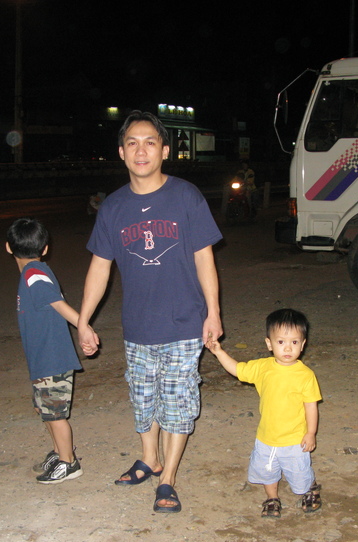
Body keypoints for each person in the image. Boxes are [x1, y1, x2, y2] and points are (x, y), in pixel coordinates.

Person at [77, 110, 223, 513]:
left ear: (165, 151)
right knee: (142, 399)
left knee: (177, 402)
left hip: (184, 321)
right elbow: (99, 268)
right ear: (122, 152)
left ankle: (168, 477)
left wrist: (213, 312)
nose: (141, 151)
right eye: (133, 143)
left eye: (150, 142)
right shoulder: (113, 208)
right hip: (138, 324)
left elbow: (205, 259)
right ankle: (150, 458)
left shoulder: (186, 196)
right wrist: (84, 320)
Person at [205, 308, 322, 518]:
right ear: (269, 343)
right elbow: (237, 369)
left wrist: (310, 433)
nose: (288, 347)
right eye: (281, 342)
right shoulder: (262, 367)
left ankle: (309, 488)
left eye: (294, 342)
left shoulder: (305, 375)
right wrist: (219, 352)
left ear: (303, 344)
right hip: (266, 436)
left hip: (295, 439)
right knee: (267, 470)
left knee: (299, 471)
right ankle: (272, 498)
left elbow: (311, 406)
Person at [6, 217, 84, 483]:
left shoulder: (33, 273)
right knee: (45, 410)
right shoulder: (33, 273)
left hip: (52, 357)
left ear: (8, 247)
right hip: (42, 357)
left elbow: (58, 304)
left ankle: (69, 463)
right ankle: (59, 452)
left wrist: (84, 328)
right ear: (45, 248)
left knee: (55, 414)